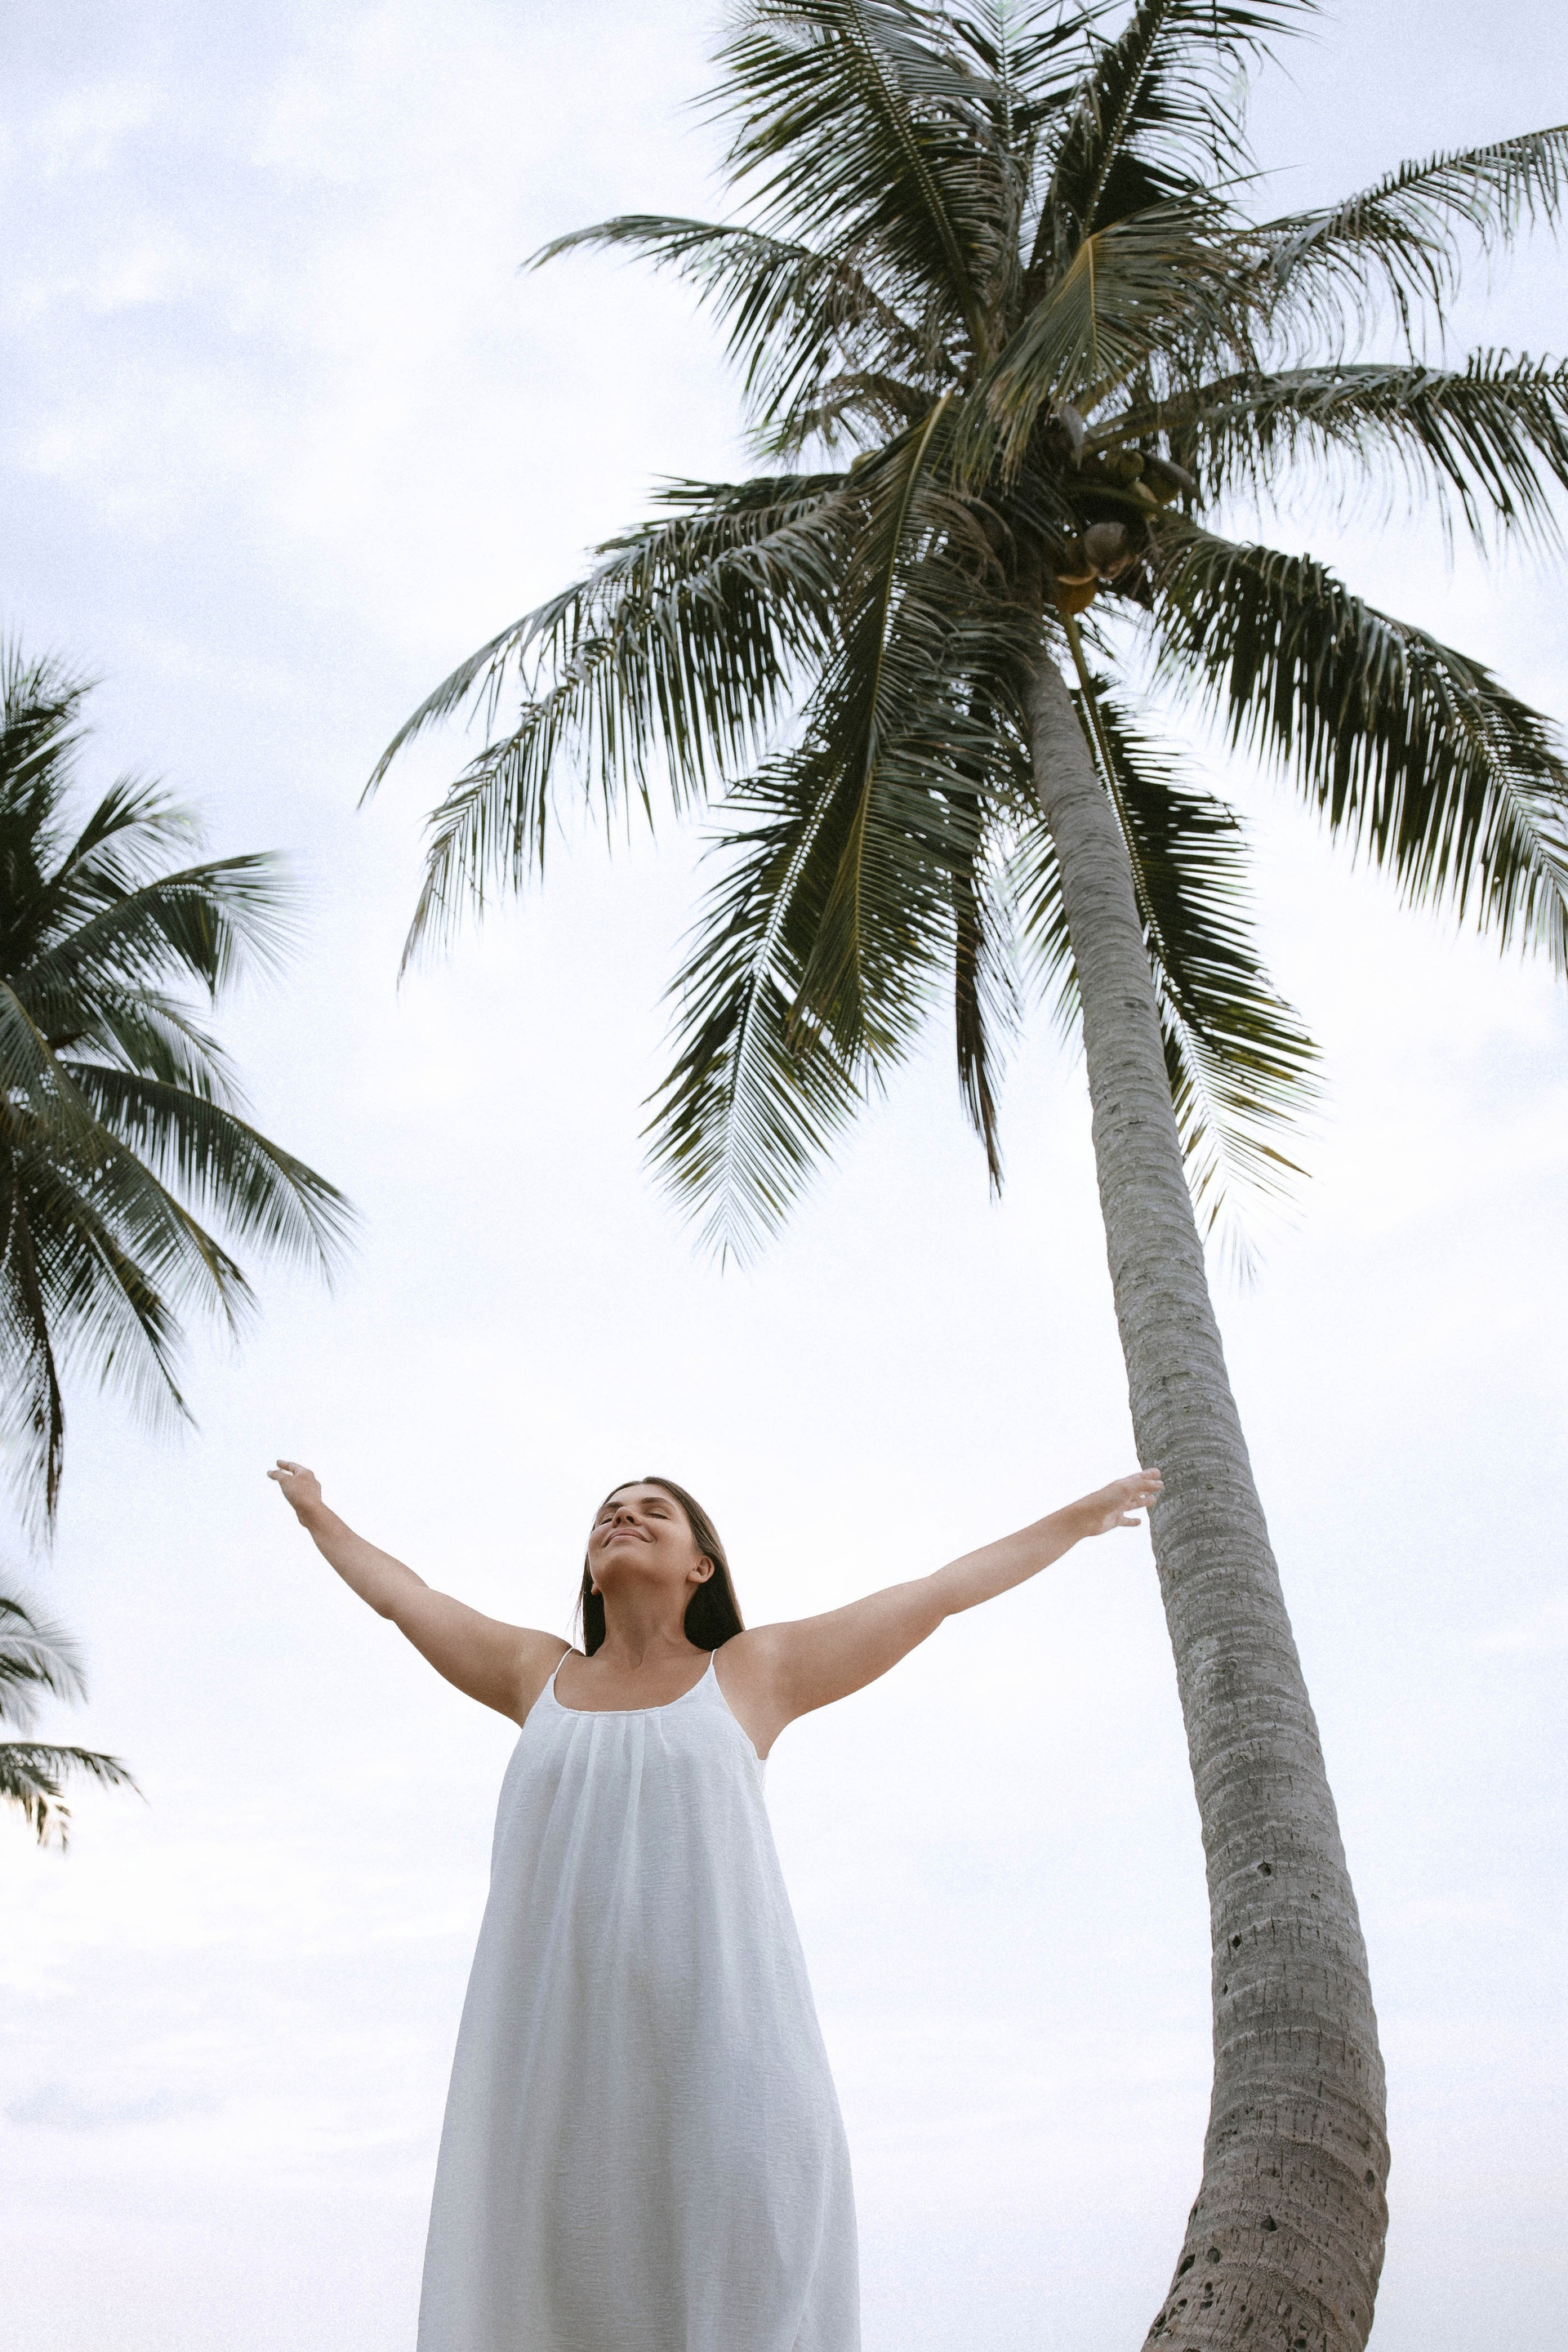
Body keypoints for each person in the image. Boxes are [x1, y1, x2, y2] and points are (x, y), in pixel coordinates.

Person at [269, 1459, 1162, 2352]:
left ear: (703, 1565)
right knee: (555, 2299)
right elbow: (406, 1599)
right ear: (590, 1574)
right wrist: (317, 1515)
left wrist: (1076, 1519)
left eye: (653, 1510)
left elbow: (934, 1596)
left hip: (728, 2058)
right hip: (560, 2072)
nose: (624, 1517)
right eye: (609, 1512)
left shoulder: (752, 1671)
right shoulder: (531, 1672)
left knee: (741, 2289)